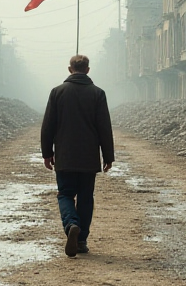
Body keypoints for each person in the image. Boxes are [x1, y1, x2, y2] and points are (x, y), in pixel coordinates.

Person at [40, 54, 115, 257]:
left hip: (64, 156)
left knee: (65, 194)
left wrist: (47, 153)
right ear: (88, 70)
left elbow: (48, 126)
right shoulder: (98, 94)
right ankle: (81, 241)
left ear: (69, 69)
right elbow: (104, 127)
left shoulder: (57, 92)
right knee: (85, 198)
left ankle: (72, 224)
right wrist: (108, 156)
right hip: (89, 158)